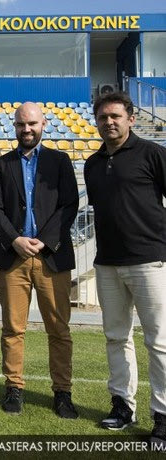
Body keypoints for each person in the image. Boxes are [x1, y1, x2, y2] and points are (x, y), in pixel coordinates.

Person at [0, 102, 79, 418]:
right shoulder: (1, 165)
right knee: (13, 329)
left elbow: (69, 204)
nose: (27, 129)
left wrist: (45, 240)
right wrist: (15, 239)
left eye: (32, 124)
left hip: (52, 256)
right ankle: (14, 388)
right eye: (21, 124)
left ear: (43, 124)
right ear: (15, 126)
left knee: (59, 329)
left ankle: (63, 393)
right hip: (13, 257)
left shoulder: (60, 161)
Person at [84, 91, 166, 444]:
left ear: (131, 118)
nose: (109, 122)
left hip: (149, 261)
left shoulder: (153, 154)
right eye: (103, 117)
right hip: (107, 263)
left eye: (115, 116)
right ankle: (122, 406)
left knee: (159, 342)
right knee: (117, 337)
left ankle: (162, 416)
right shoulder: (92, 163)